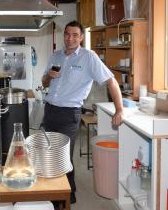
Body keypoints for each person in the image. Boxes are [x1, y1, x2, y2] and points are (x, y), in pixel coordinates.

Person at [42, 21, 123, 205]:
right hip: (50, 110)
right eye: (67, 34)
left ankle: (64, 197)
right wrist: (48, 77)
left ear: (81, 37)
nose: (70, 38)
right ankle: (63, 190)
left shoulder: (89, 57)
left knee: (63, 156)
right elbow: (45, 82)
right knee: (50, 153)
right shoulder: (56, 55)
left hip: (69, 113)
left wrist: (119, 110)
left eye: (75, 35)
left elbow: (111, 82)